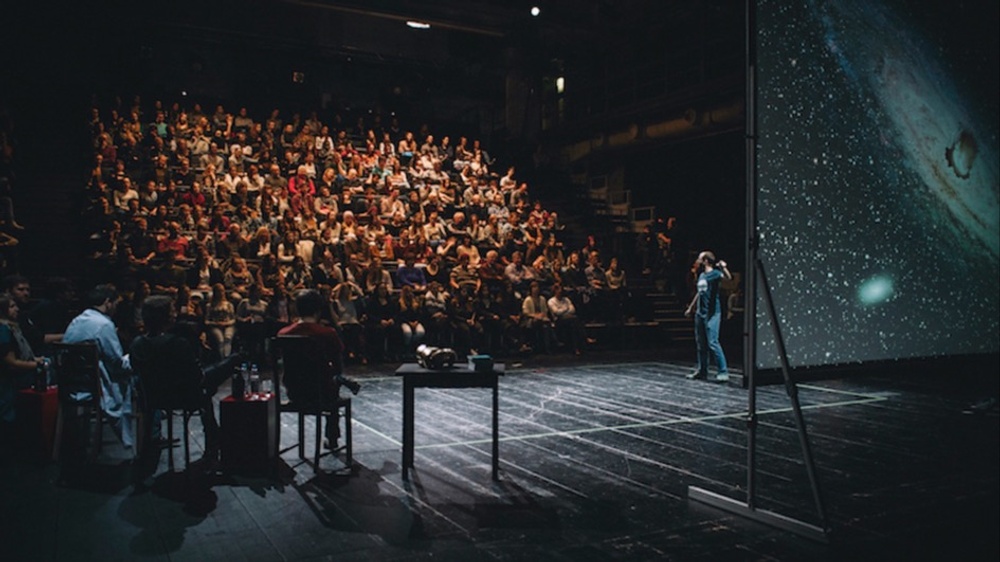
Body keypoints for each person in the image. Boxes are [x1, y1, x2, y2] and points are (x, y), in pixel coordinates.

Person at [130, 295, 242, 470]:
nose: (176, 314)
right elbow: (196, 378)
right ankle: (215, 442)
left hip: (153, 398)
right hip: (186, 396)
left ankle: (215, 440)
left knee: (209, 385)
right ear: (167, 317)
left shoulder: (137, 344)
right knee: (229, 363)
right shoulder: (177, 343)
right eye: (172, 311)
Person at [277, 289, 360, 449]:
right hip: (321, 392)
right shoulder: (327, 333)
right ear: (318, 310)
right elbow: (337, 366)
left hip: (294, 391)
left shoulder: (283, 333)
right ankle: (332, 437)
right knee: (333, 384)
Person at [62, 284, 136, 448]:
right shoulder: (103, 324)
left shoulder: (77, 320)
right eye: (115, 304)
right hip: (95, 384)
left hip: (72, 381)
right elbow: (116, 362)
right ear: (108, 302)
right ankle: (142, 439)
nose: (116, 308)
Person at [684, 251, 732, 382]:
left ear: (705, 260)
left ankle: (723, 371)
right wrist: (691, 308)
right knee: (701, 344)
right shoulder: (702, 275)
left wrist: (723, 267)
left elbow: (728, 278)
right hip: (700, 312)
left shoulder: (715, 274)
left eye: (700, 259)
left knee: (713, 342)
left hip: (713, 313)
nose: (697, 261)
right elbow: (700, 293)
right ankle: (702, 370)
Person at [0, 293, 45, 426]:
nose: (17, 309)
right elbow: (11, 361)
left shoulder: (12, 327)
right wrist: (35, 365)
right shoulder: (2, 330)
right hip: (8, 381)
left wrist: (35, 360)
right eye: (12, 306)